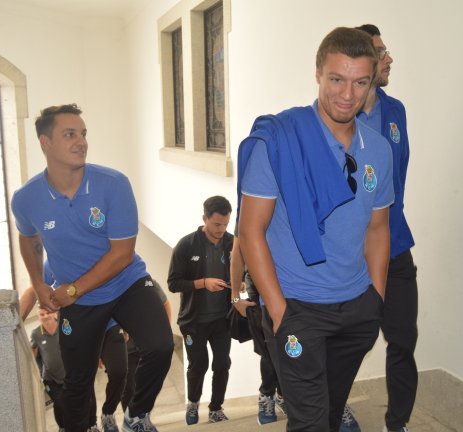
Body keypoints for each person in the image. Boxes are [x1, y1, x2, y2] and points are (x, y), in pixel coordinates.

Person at [237, 27, 394, 431]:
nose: (347, 94)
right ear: (318, 74)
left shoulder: (378, 149)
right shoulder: (278, 141)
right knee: (310, 422)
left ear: (371, 82)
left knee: (331, 411)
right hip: (298, 309)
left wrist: (375, 298)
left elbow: (378, 228)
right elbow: (251, 231)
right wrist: (279, 311)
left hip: (357, 307)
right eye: (337, 79)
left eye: (360, 82)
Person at [11, 103, 174, 432]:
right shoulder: (26, 198)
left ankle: (136, 416)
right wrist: (38, 283)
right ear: (45, 143)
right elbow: (28, 239)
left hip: (125, 284)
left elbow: (122, 254)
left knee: (161, 345)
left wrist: (72, 290)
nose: (81, 141)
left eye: (83, 134)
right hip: (82, 303)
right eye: (69, 134)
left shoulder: (113, 184)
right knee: (77, 381)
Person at [356, 24, 418, 432]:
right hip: (349, 257)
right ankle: (331, 411)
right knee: (345, 341)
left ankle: (397, 424)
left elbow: (399, 175)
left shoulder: (396, 110)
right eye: (380, 52)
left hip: (395, 247)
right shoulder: (335, 114)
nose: (389, 58)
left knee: (403, 342)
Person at [167, 195, 234, 425]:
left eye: (225, 224)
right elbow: (173, 283)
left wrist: (240, 283)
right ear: (204, 218)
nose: (221, 229)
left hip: (223, 319)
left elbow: (245, 271)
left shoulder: (232, 242)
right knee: (199, 365)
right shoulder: (186, 245)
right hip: (193, 321)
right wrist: (203, 283)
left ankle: (216, 408)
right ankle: (193, 404)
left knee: (222, 363)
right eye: (216, 224)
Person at [229, 232, 285, 425]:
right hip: (259, 286)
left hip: (291, 283)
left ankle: (283, 395)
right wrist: (235, 298)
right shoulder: (247, 213)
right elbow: (237, 253)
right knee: (269, 348)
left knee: (291, 346)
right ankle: (267, 396)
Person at [30, 306, 99, 432]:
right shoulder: (36, 334)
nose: (45, 316)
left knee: (86, 399)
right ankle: (63, 427)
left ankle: (92, 425)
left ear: (54, 313)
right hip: (51, 378)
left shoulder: (65, 327)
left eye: (48, 313)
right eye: (42, 314)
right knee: (60, 404)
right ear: (38, 316)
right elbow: (33, 351)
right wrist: (36, 371)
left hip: (73, 374)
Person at [120, 279, 173, 413]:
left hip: (148, 345)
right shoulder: (115, 287)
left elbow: (166, 303)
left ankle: (141, 415)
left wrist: (165, 330)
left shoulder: (150, 283)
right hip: (127, 349)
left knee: (147, 384)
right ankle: (131, 417)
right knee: (129, 387)